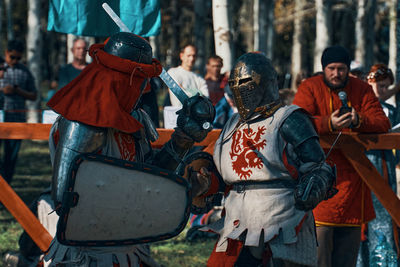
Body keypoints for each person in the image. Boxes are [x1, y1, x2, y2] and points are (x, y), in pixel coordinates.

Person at [44, 32, 215, 267]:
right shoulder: (84, 120)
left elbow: (148, 174)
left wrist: (182, 140)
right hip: (89, 254)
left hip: (130, 248)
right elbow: (66, 197)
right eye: (141, 79)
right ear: (126, 78)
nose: (145, 87)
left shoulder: (136, 118)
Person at [188, 52, 337, 266]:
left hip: (282, 215)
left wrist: (315, 184)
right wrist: (204, 183)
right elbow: (222, 173)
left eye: (246, 83)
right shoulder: (232, 123)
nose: (240, 89)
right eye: (235, 83)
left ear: (265, 82)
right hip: (237, 218)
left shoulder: (290, 119)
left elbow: (318, 166)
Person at [293, 45, 391, 267]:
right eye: (331, 68)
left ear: (348, 69)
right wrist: (328, 123)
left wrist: (359, 120)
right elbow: (297, 122)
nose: (336, 74)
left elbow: (383, 122)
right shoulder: (310, 88)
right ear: (323, 68)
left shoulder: (362, 89)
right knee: (319, 257)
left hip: (354, 184)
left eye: (341, 69)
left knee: (347, 258)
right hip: (317, 182)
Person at [356, 63, 400, 266]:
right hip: (361, 165)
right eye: (377, 85)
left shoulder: (392, 110)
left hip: (385, 165)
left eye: (385, 86)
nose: (381, 90)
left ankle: (383, 259)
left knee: (384, 213)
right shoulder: (360, 107)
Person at [0, 40, 37, 184]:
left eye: (18, 58)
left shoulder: (25, 71)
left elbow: (34, 95)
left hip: (17, 120)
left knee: (11, 159)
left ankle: (6, 193)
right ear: (6, 53)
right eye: (12, 57)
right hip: (1, 118)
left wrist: (18, 91)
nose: (15, 61)